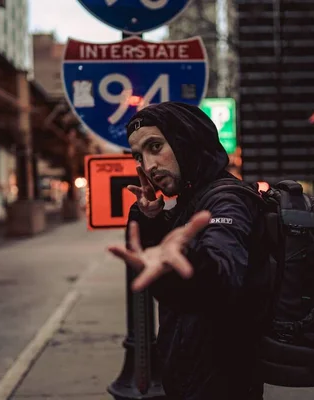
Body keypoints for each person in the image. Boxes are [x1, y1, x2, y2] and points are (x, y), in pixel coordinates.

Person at [108, 102, 266, 400]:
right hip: (190, 376)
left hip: (221, 383)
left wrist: (185, 264)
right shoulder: (190, 200)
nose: (148, 165)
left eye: (156, 146)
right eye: (138, 156)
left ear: (187, 140)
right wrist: (149, 218)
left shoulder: (227, 200)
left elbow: (222, 273)